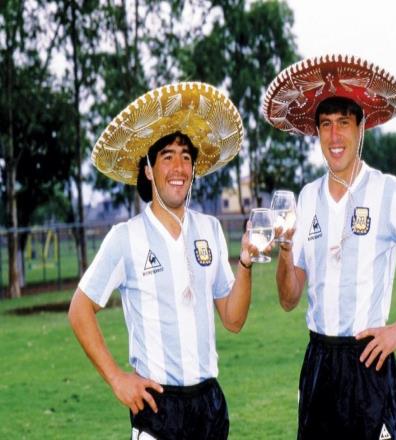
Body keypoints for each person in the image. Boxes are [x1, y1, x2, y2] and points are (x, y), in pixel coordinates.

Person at [263, 54, 396, 439]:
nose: (334, 136)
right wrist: (284, 253)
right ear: (317, 132)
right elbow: (288, 298)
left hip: (369, 360)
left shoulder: (387, 191)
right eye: (326, 125)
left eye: (343, 123)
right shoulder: (307, 197)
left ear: (361, 127)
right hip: (319, 361)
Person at [68, 82, 260, 440]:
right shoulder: (125, 237)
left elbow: (233, 320)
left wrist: (246, 262)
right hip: (158, 408)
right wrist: (117, 379)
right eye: (167, 156)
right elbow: (79, 310)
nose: (179, 167)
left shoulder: (210, 229)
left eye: (186, 157)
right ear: (148, 169)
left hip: (209, 403)